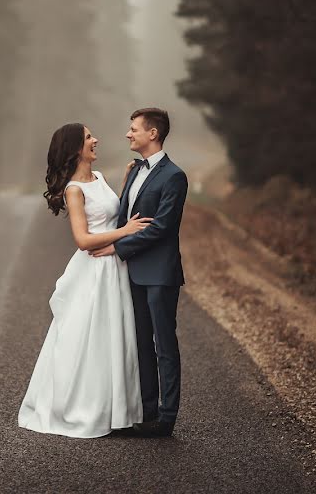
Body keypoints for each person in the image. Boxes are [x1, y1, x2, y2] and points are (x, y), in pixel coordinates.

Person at [18, 123, 152, 438]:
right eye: (89, 137)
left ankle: (116, 409)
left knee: (114, 335)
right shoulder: (73, 189)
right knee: (89, 337)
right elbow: (83, 239)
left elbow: (109, 213)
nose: (96, 140)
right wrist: (125, 232)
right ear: (76, 148)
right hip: (94, 271)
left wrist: (127, 183)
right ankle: (83, 407)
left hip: (113, 266)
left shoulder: (100, 178)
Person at [91, 108, 188, 437]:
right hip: (132, 273)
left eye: (134, 129)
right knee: (141, 344)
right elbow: (126, 216)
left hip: (160, 273)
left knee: (164, 346)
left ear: (153, 134)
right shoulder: (133, 171)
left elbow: (161, 227)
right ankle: (146, 412)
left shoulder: (175, 176)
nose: (128, 134)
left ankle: (167, 416)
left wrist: (118, 248)